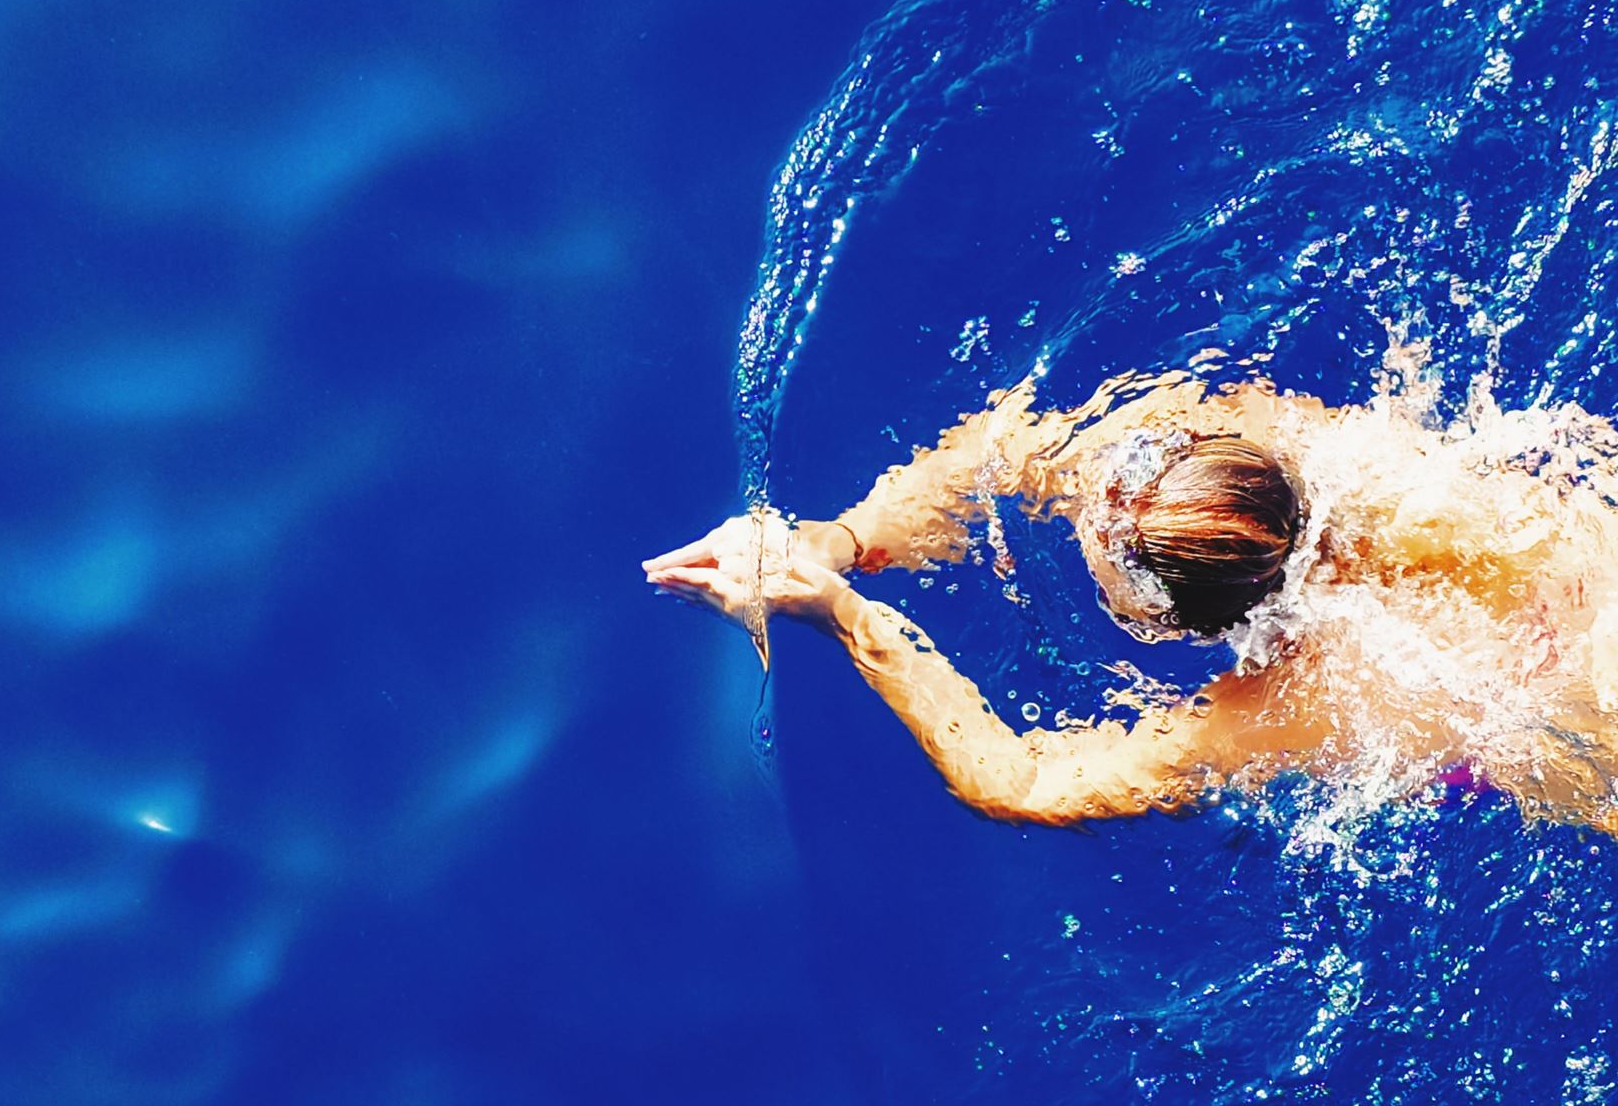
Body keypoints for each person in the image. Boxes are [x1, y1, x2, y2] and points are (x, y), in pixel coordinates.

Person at [643, 366, 1618, 830]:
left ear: (1166, 622)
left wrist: (842, 611)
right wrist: (837, 539)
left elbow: (1018, 781)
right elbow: (1011, 449)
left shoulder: (1303, 699)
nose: (1085, 482)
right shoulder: (1283, 453)